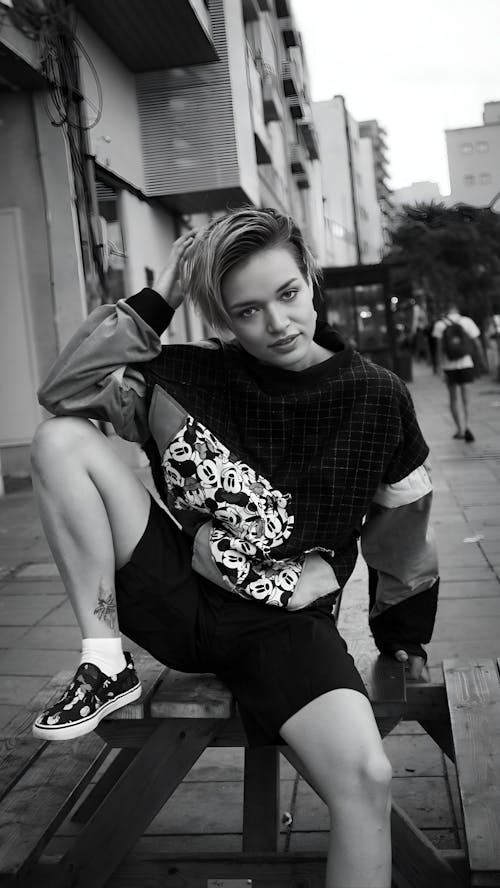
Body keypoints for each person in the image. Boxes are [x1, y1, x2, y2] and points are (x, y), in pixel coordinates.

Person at [30, 208, 439, 888]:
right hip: (173, 594)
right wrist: (162, 296)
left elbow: (402, 521)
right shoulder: (186, 376)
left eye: (288, 295)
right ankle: (104, 661)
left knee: (367, 779)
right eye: (247, 311)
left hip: (282, 625)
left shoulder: (376, 398)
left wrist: (401, 631)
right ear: (222, 318)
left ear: (311, 279)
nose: (276, 323)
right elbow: (63, 393)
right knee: (60, 440)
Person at [432, 302, 484, 441]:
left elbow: (438, 349)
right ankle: (467, 426)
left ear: (446, 310)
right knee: (466, 398)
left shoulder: (439, 324)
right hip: (466, 364)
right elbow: (477, 343)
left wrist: (438, 367)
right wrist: (482, 360)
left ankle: (459, 430)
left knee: (453, 398)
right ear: (457, 309)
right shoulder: (466, 321)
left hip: (449, 367)